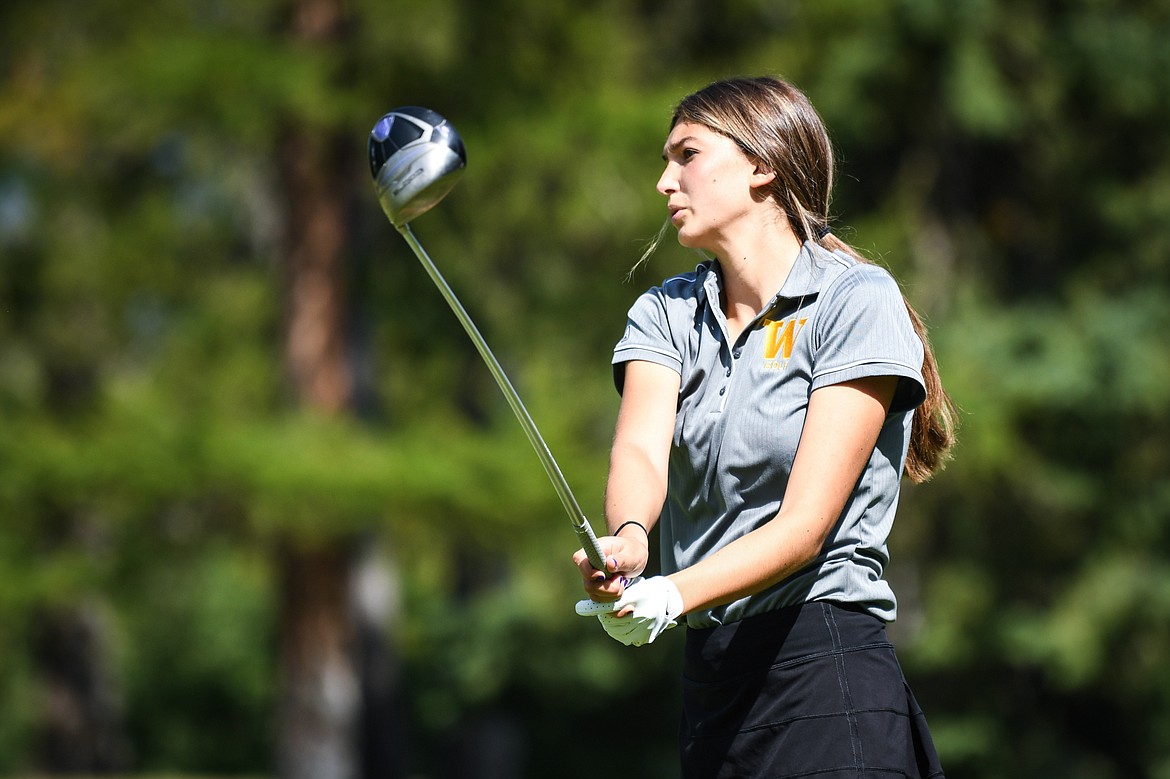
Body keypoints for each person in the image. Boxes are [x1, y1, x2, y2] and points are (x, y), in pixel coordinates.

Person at [573, 75, 957, 778]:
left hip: (825, 667)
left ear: (761, 163)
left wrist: (673, 590)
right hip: (713, 685)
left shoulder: (857, 300)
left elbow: (805, 526)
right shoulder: (667, 312)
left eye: (686, 154)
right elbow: (639, 449)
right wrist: (630, 543)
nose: (665, 181)